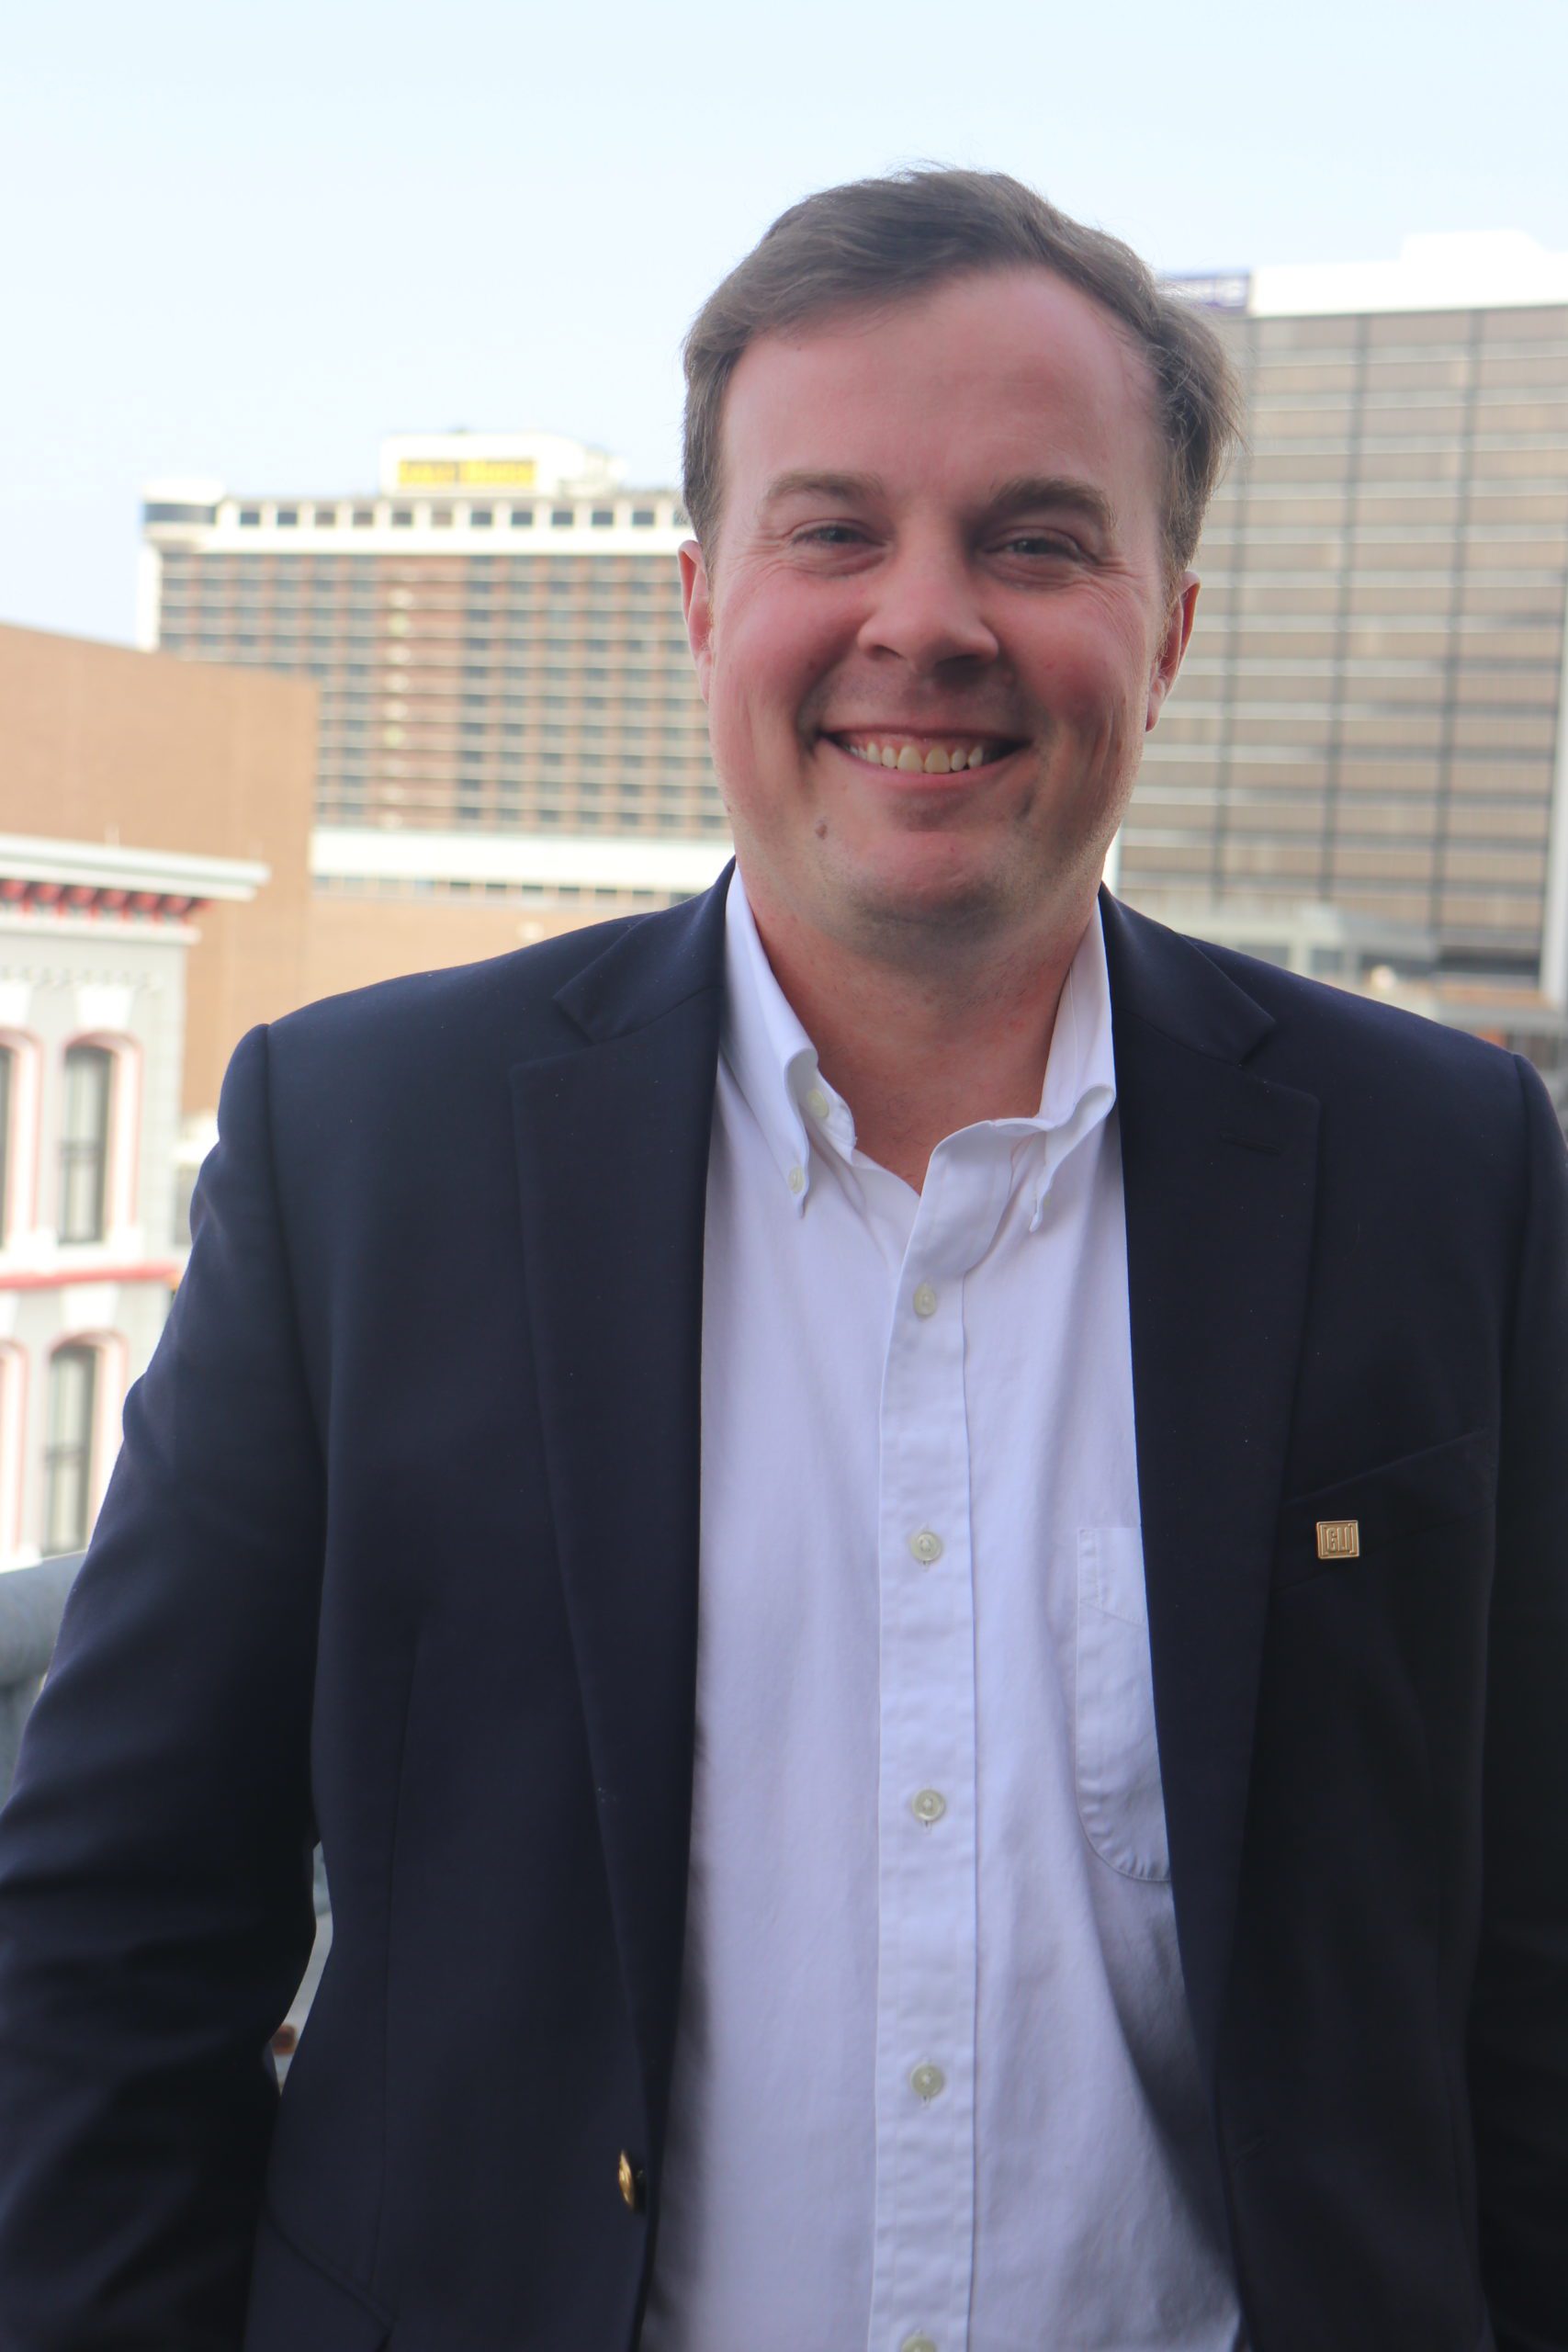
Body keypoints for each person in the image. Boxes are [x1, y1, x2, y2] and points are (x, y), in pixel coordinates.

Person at [0, 167, 1562, 2352]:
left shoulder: (1441, 1163)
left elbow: (1519, 1954)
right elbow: (112, 1940)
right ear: (699, 595)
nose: (924, 620)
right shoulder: (367, 1150)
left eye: (1032, 536)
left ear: (1170, 623)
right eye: (832, 530)